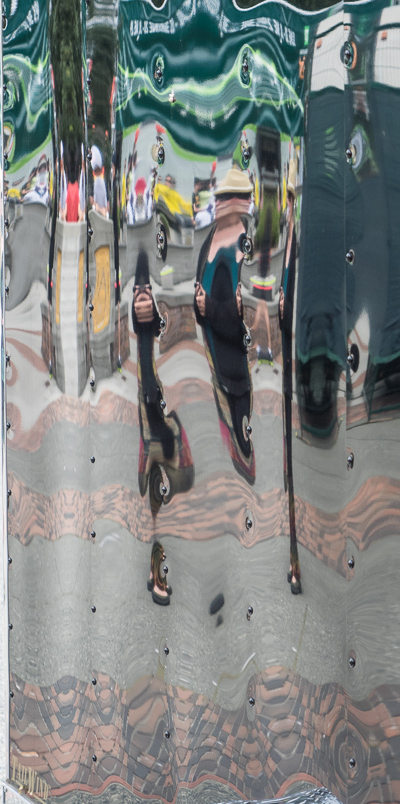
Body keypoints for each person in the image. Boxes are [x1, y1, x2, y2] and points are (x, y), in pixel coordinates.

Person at [132, 250, 195, 604]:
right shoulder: (138, 330)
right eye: (137, 290)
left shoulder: (158, 324)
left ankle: (155, 568)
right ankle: (157, 573)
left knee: (166, 497)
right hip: (154, 429)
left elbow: (160, 324)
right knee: (161, 501)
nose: (142, 297)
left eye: (147, 290)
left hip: (161, 425)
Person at [195, 165, 256, 483]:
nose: (218, 203)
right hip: (212, 366)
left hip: (236, 372)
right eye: (218, 197)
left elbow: (245, 319)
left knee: (241, 447)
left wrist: (210, 308)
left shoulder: (245, 247)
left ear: (240, 202)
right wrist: (199, 305)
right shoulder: (210, 239)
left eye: (226, 197)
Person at [90, 145, 108, 217]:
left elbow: (104, 194)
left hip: (101, 206)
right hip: (98, 206)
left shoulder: (102, 181)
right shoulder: (97, 181)